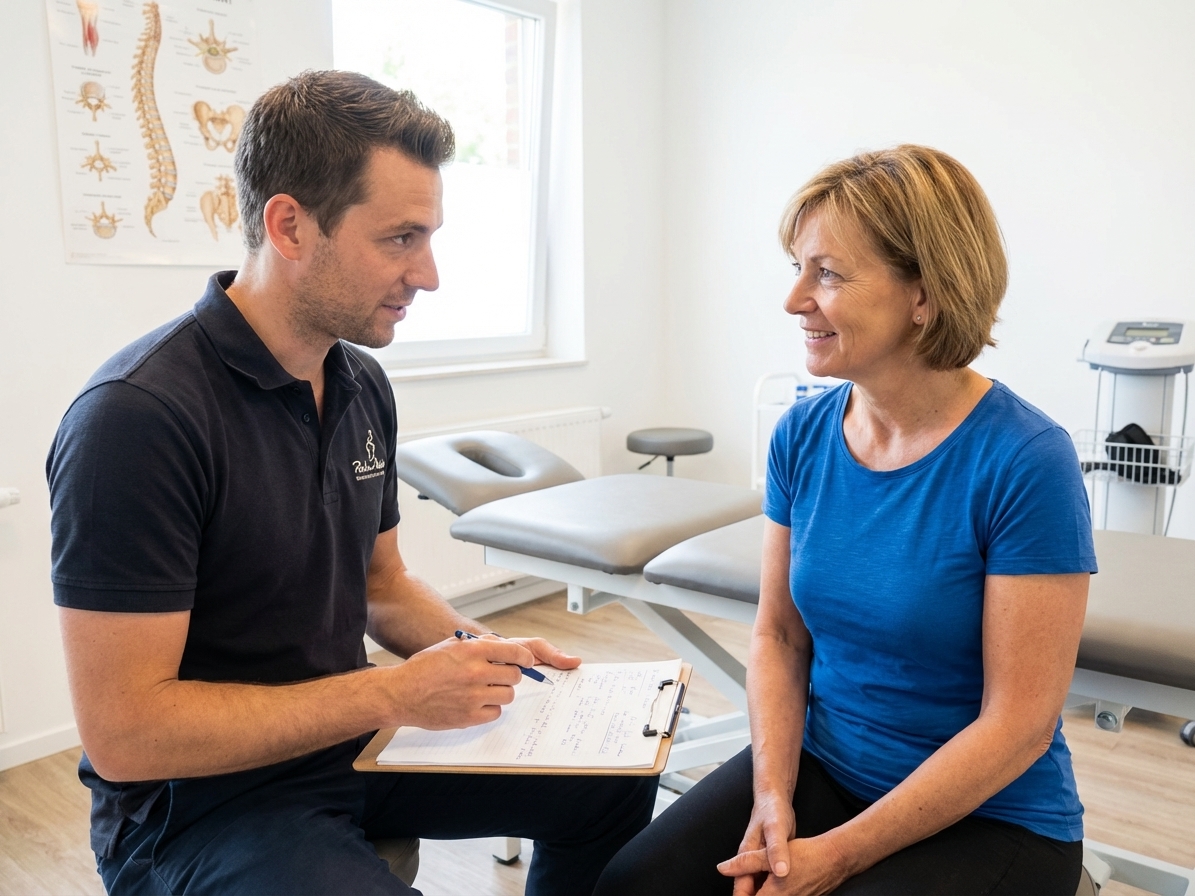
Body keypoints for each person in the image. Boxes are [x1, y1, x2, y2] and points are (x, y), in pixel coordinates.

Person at [47, 70, 656, 896]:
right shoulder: (137, 419)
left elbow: (383, 583)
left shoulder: (361, 382)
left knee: (611, 783)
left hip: (349, 743)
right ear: (290, 226)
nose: (429, 274)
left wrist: (477, 655)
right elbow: (126, 734)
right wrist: (392, 691)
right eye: (400, 239)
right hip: (202, 804)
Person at [594, 145, 1096, 895]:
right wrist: (771, 796)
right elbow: (778, 635)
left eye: (826, 273)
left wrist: (841, 854)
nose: (795, 299)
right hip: (827, 770)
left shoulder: (1025, 459)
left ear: (922, 293)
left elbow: (1017, 724)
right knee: (634, 883)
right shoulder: (803, 434)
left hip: (993, 818)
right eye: (796, 269)